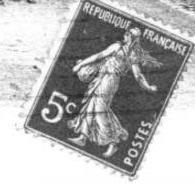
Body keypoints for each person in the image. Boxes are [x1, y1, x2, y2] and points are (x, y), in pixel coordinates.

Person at [67, 27, 160, 159]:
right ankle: (83, 136)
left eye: (128, 34)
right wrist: (81, 64)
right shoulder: (117, 45)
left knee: (100, 109)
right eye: (126, 33)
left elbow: (138, 75)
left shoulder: (132, 54)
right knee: (91, 104)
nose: (125, 35)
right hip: (102, 77)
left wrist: (148, 87)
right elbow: (99, 56)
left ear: (132, 38)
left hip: (110, 80)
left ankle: (113, 142)